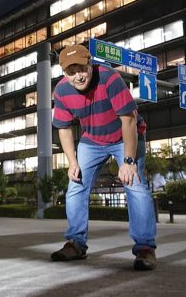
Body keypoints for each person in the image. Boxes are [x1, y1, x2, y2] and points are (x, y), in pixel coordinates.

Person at [50, 44, 157, 270]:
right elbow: (64, 128)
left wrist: (128, 161)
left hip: (124, 136)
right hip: (92, 140)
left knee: (135, 185)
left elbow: (128, 119)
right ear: (63, 73)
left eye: (81, 69)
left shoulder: (109, 78)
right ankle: (75, 243)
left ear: (90, 64)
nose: (78, 76)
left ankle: (145, 248)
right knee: (75, 184)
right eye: (71, 72)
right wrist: (72, 162)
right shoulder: (61, 91)